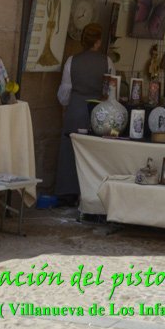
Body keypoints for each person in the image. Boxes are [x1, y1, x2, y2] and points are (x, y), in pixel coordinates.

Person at [55, 23, 114, 204]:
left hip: (76, 109)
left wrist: (68, 104)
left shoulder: (72, 61)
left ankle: (67, 193)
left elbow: (64, 92)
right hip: (99, 112)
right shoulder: (107, 62)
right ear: (98, 42)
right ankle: (92, 194)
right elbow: (112, 90)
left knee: (70, 149)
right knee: (95, 152)